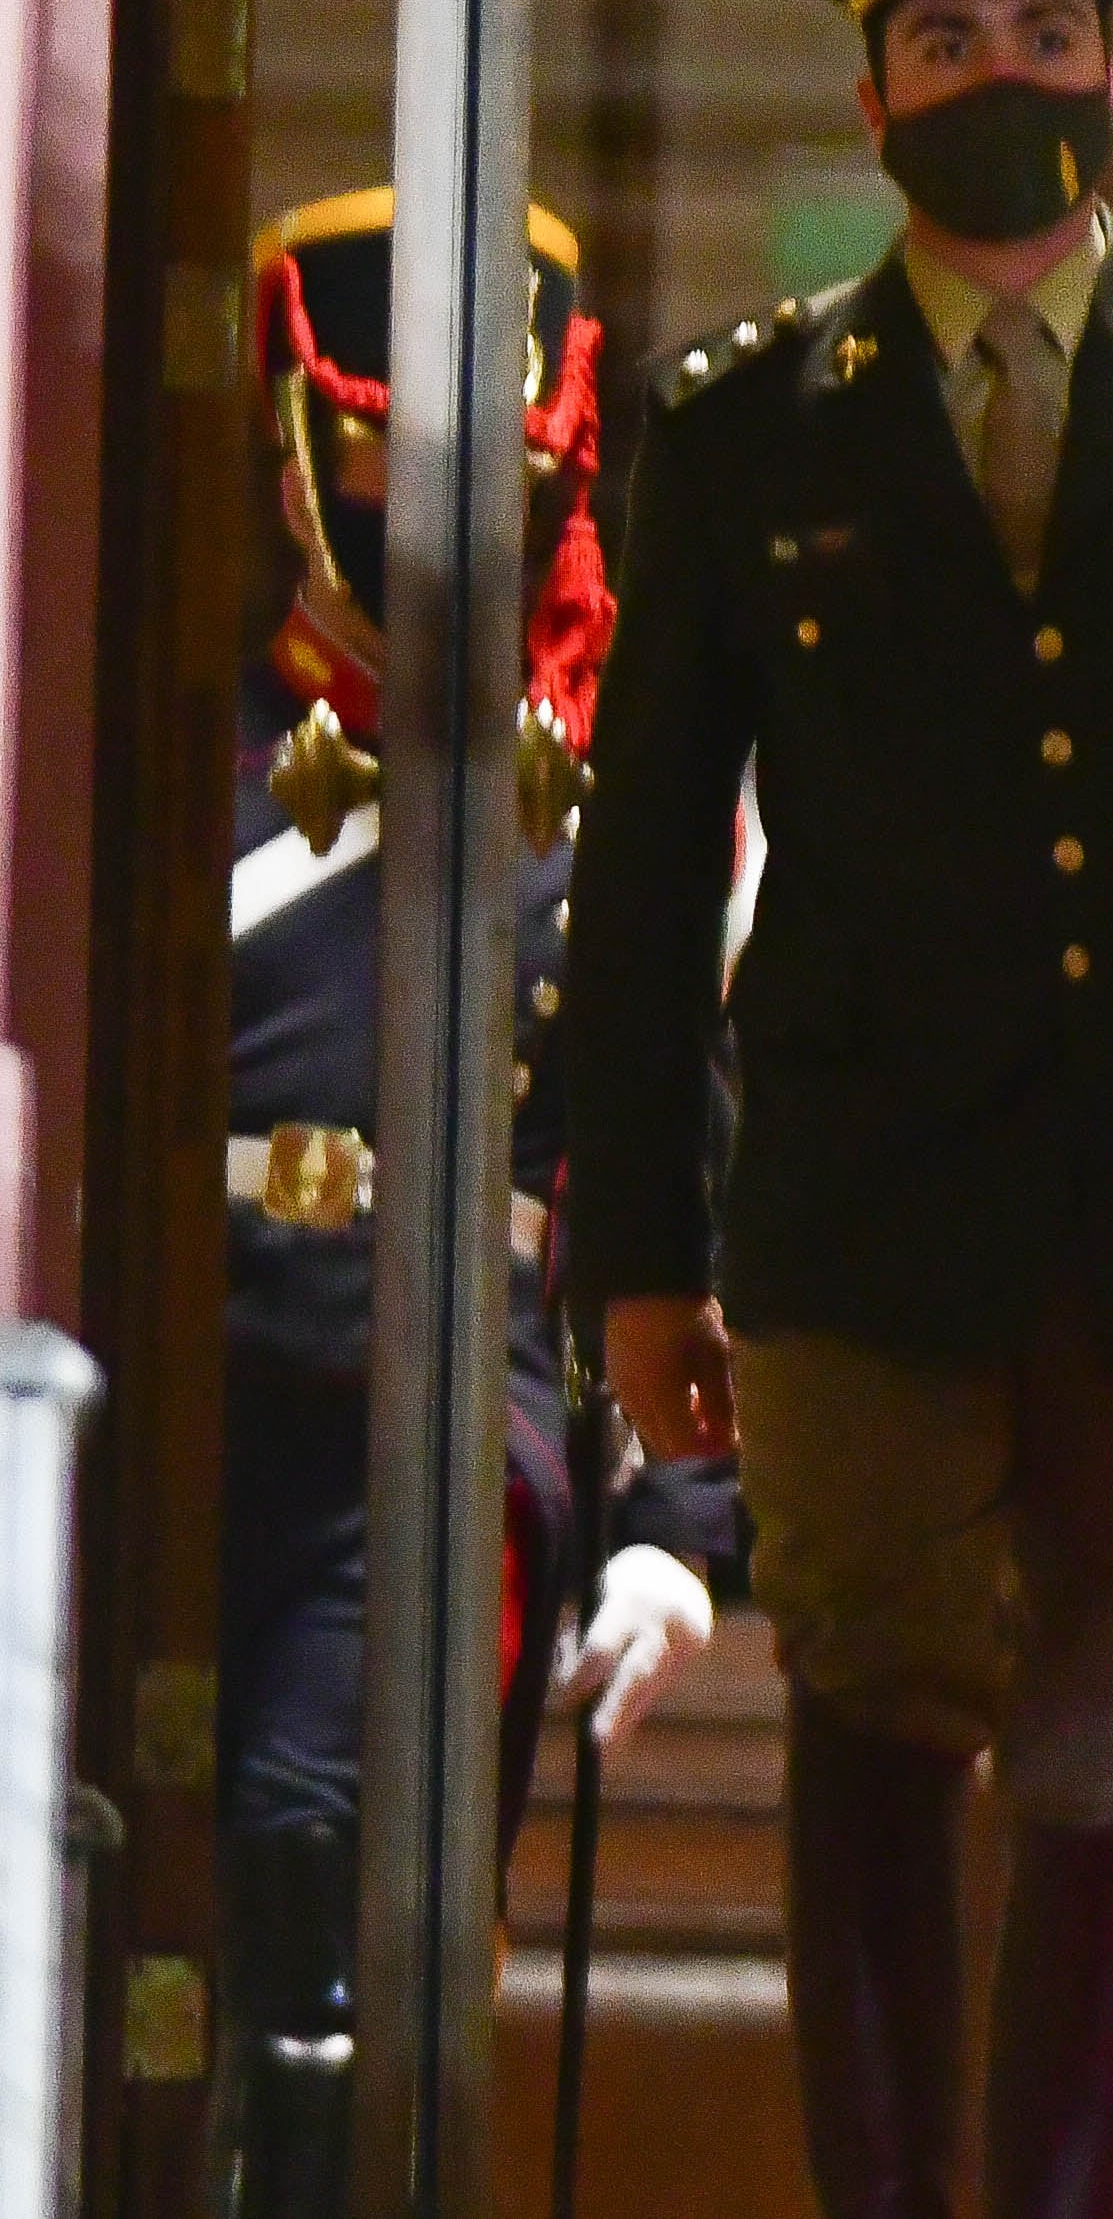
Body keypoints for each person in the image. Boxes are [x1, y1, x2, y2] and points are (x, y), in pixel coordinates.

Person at [561, 0, 1113, 2219]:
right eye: (946, 41)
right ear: (872, 97)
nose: (1004, 69)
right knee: (872, 1728)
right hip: (859, 1216)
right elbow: (656, 856)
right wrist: (634, 1257)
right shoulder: (752, 420)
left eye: (1046, 35)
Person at [215, 190, 734, 2219]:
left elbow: (657, 1170)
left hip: (439, 1418)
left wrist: (677, 1521)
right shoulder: (178, 752)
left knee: (325, 1882)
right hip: (185, 1393)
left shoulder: (587, 799)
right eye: (381, 471)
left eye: (491, 480)